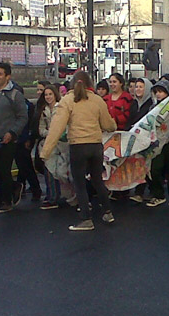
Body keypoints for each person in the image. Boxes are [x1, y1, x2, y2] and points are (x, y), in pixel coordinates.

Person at [40, 71, 116, 231]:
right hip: (95, 145)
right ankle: (108, 212)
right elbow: (109, 125)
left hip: (77, 146)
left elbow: (56, 128)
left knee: (79, 183)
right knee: (97, 180)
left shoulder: (68, 101)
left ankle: (86, 219)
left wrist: (45, 152)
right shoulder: (97, 100)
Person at [0, 62, 29, 213]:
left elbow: (23, 117)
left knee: (4, 169)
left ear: (7, 76)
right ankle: (13, 188)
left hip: (8, 139)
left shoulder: (15, 95)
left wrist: (12, 133)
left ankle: (6, 201)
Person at [35, 84, 75, 210]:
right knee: (49, 171)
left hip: (63, 145)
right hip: (48, 144)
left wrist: (58, 133)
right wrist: (51, 133)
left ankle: (72, 196)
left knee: (63, 172)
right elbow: (41, 129)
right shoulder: (43, 111)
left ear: (55, 94)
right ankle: (52, 197)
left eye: (50, 94)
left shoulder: (62, 107)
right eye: (46, 95)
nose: (48, 97)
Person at [146, 79, 169, 207]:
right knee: (155, 168)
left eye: (161, 91)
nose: (158, 94)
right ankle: (158, 194)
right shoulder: (153, 108)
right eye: (156, 92)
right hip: (157, 142)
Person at [129, 77, 155, 203]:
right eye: (136, 86)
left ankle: (147, 191)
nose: (137, 89)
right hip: (134, 139)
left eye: (141, 87)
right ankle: (138, 191)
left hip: (146, 139)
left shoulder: (151, 104)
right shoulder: (133, 103)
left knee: (146, 165)